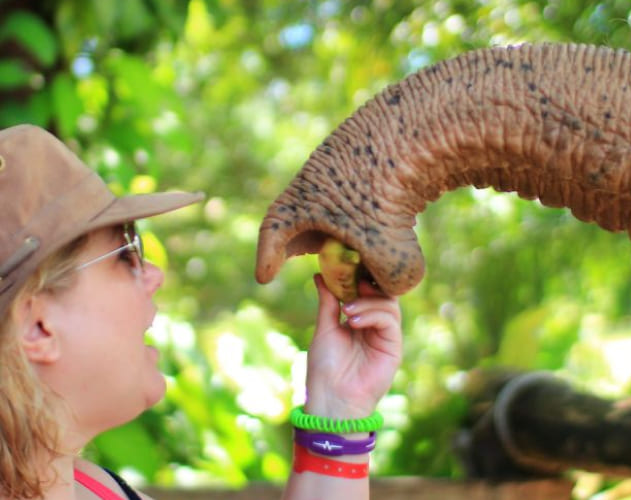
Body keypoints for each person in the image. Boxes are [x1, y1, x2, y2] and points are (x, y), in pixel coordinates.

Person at [0, 124, 403, 500]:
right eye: (125, 255)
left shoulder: (99, 489)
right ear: (37, 328)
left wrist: (338, 405)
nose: (154, 273)